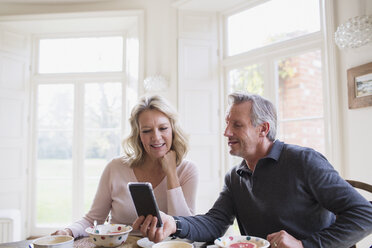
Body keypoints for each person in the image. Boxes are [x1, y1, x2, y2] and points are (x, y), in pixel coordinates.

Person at [133, 92, 372, 248]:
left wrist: (303, 245)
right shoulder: (235, 177)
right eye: (227, 123)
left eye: (237, 125)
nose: (226, 132)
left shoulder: (304, 161)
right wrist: (174, 223)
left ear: (263, 129)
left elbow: (365, 214)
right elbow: (215, 223)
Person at [52, 94, 199, 238]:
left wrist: (172, 173)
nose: (156, 137)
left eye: (163, 128)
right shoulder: (115, 167)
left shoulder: (188, 170)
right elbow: (93, 220)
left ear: (173, 130)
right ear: (138, 135)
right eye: (147, 130)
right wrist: (68, 231)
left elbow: (186, 230)